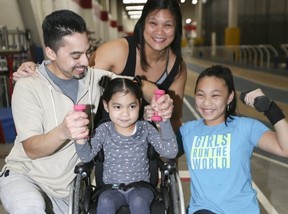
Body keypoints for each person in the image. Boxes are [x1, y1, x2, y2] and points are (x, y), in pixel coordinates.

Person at [0, 10, 173, 214]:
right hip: (26, 177)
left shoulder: (94, 78)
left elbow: (134, 85)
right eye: (75, 55)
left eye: (87, 52)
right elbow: (31, 149)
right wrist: (64, 131)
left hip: (69, 190)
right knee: (30, 209)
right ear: (51, 53)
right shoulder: (28, 85)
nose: (85, 61)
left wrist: (161, 99)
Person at [13, 0, 187, 132]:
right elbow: (75, 71)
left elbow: (175, 118)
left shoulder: (177, 67)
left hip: (147, 139)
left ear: (176, 28)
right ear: (142, 24)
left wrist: (165, 129)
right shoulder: (117, 51)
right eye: (153, 23)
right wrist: (38, 68)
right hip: (107, 136)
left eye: (168, 25)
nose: (159, 32)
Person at [177, 65, 288, 214]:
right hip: (204, 211)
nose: (206, 103)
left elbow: (285, 148)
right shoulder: (188, 131)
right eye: (200, 95)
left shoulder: (245, 127)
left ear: (229, 97)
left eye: (215, 96)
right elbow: (164, 154)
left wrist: (271, 109)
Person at [73, 76, 178, 214]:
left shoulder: (145, 128)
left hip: (141, 188)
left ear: (139, 104)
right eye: (117, 107)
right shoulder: (104, 130)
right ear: (106, 106)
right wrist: (80, 139)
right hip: (111, 189)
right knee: (105, 202)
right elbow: (86, 156)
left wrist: (164, 121)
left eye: (132, 106)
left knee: (138, 201)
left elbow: (170, 152)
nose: (125, 113)